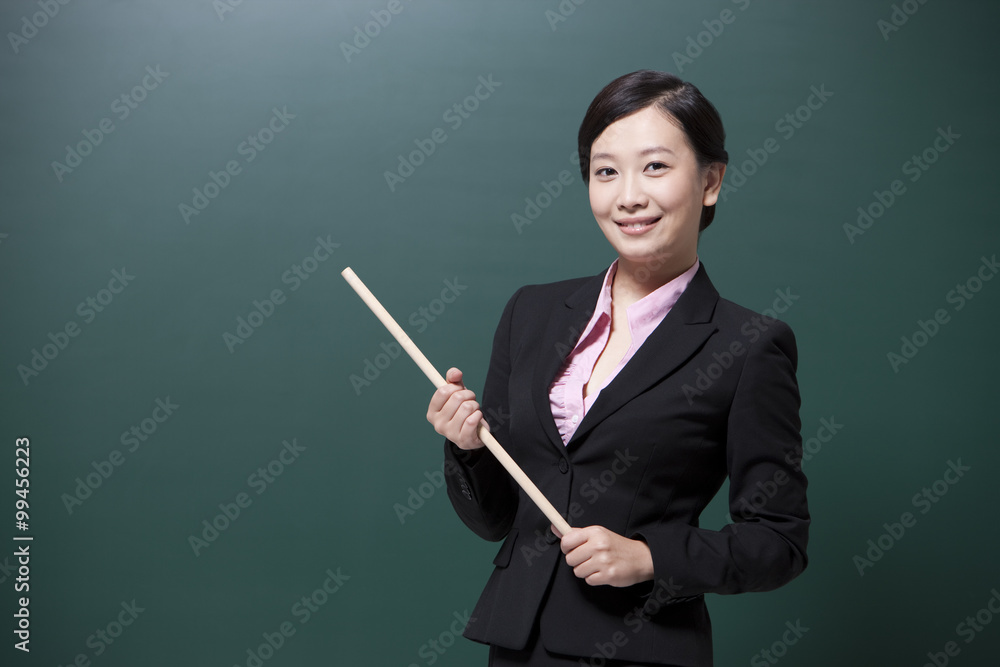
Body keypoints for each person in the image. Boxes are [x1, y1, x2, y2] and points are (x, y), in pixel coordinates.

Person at [426, 70, 809, 667]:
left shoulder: (749, 346)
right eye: (606, 172)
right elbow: (496, 518)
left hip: (642, 651)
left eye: (655, 167)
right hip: (518, 646)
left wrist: (650, 557)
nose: (628, 195)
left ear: (711, 181)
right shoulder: (532, 312)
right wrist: (467, 446)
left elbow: (778, 542)